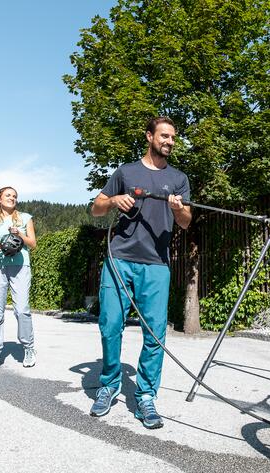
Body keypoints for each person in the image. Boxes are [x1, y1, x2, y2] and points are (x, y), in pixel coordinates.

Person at [89, 116, 192, 429]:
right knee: (109, 326)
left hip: (156, 264)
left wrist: (178, 209)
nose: (169, 141)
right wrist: (112, 200)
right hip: (120, 258)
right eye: (164, 136)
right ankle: (109, 385)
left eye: (173, 137)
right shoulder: (126, 172)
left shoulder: (178, 178)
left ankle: (146, 396)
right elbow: (96, 208)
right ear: (149, 136)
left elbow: (186, 221)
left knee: (155, 334)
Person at [0, 186, 37, 373]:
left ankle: (28, 348)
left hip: (20, 267)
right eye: (8, 195)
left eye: (15, 196)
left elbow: (33, 244)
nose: (12, 198)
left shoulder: (25, 218)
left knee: (22, 310)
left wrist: (19, 233)